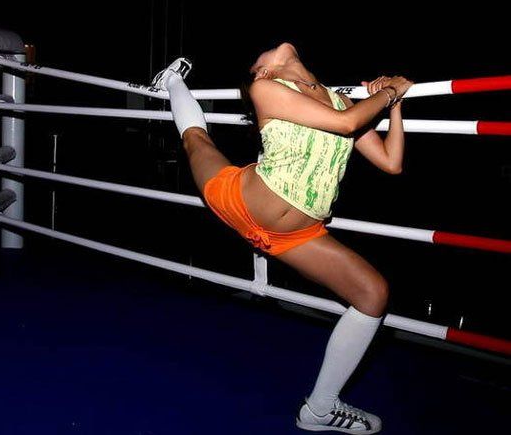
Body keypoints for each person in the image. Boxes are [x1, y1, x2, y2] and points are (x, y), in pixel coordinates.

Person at [151, 43, 412, 433]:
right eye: (258, 59)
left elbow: (391, 162)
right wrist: (390, 91)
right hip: (239, 198)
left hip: (294, 235)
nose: (265, 52)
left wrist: (394, 104)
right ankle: (172, 82)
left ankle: (319, 409)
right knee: (197, 141)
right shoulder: (267, 89)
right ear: (263, 72)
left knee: (373, 293)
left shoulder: (342, 103)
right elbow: (346, 125)